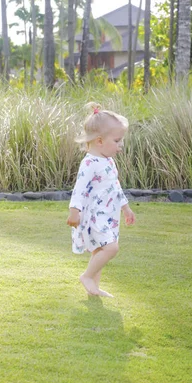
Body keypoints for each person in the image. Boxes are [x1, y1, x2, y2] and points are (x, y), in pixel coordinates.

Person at [66, 103, 136, 297]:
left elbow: (115, 186)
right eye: (117, 140)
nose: (120, 145)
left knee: (99, 250)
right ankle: (87, 276)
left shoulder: (108, 161)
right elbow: (79, 188)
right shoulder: (89, 163)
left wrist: (126, 208)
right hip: (95, 215)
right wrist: (74, 210)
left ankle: (93, 289)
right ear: (99, 141)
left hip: (108, 214)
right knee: (111, 248)